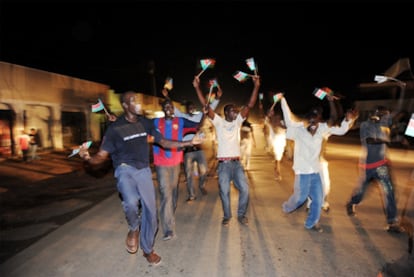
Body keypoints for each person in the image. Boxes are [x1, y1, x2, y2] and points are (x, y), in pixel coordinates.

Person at [78, 91, 203, 265]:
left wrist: (189, 143)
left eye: (137, 100)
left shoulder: (145, 122)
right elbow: (100, 157)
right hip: (124, 170)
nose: (138, 103)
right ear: (125, 106)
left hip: (143, 170)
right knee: (131, 201)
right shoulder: (115, 128)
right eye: (133, 101)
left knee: (151, 213)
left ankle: (148, 249)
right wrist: (86, 158)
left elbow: (165, 142)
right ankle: (133, 228)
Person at [280, 94, 357, 232]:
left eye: (316, 122)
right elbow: (288, 117)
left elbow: (336, 123)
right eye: (310, 122)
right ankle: (287, 207)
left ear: (319, 122)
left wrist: (332, 102)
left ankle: (311, 223)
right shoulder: (298, 130)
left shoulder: (322, 129)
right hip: (302, 172)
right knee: (300, 198)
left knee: (318, 199)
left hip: (315, 171)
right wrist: (283, 100)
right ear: (306, 121)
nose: (313, 126)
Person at [193, 74, 261, 226]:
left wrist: (256, 86)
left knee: (245, 189)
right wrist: (197, 87)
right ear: (226, 112)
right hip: (223, 165)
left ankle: (241, 214)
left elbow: (249, 105)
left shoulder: (238, 122)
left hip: (237, 164)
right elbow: (206, 107)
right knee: (224, 191)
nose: (236, 112)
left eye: (236, 110)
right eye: (233, 110)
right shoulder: (218, 122)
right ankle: (227, 215)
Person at [345, 106, 405, 233]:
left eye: (387, 116)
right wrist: (387, 141)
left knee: (389, 191)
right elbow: (370, 141)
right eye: (384, 115)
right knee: (361, 192)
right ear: (376, 114)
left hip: (381, 166)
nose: (386, 117)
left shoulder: (385, 126)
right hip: (367, 166)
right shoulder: (366, 125)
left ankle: (392, 222)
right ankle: (352, 202)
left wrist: (403, 89)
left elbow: (398, 109)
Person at [162, 87, 221, 202]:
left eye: (193, 107)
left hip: (199, 149)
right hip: (187, 151)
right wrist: (166, 96)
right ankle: (191, 194)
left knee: (204, 171)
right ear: (186, 108)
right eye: (189, 107)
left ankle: (202, 185)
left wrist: (218, 97)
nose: (191, 108)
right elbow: (172, 107)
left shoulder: (200, 116)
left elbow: (210, 108)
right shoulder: (181, 117)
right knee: (189, 174)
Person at [152, 98, 199, 241]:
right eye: (166, 106)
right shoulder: (155, 122)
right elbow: (137, 123)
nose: (168, 108)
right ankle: (169, 229)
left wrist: (206, 110)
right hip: (160, 163)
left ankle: (169, 214)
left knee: (173, 193)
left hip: (176, 162)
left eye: (171, 106)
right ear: (162, 109)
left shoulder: (180, 122)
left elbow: (197, 123)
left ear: (173, 109)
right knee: (165, 193)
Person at [264, 108, 287, 180]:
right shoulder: (268, 120)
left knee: (278, 158)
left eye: (272, 111)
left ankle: (277, 171)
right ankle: (278, 173)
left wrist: (280, 125)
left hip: (281, 138)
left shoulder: (278, 117)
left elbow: (284, 126)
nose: (272, 112)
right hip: (276, 140)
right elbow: (269, 127)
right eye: (270, 112)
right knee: (278, 158)